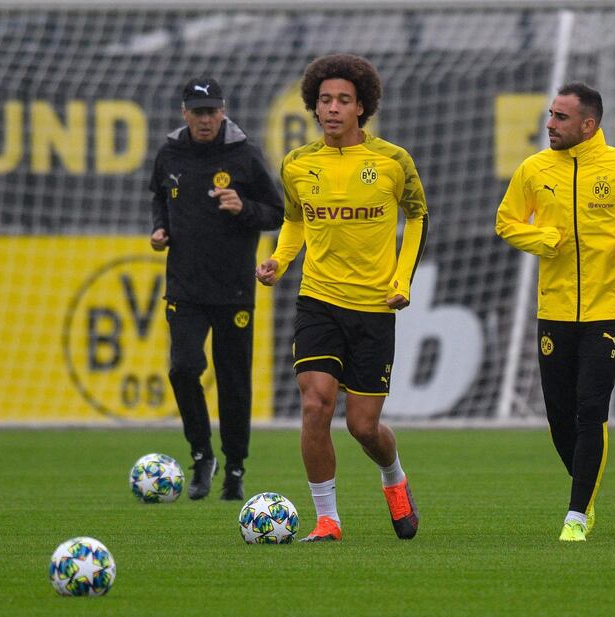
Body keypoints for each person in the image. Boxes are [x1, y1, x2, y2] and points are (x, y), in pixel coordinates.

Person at [256, 54, 428, 542]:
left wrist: (401, 281)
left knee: (363, 427)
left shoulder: (393, 161)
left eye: (343, 101)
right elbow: (294, 219)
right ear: (314, 105)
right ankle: (327, 519)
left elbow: (417, 217)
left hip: (375, 306)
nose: (332, 108)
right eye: (325, 100)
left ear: (362, 108)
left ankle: (394, 478)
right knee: (316, 404)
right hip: (318, 299)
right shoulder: (297, 163)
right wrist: (279, 260)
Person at [495, 82, 615, 541]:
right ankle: (587, 491)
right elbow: (506, 221)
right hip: (553, 310)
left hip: (608, 308)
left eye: (560, 117)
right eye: (550, 115)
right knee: (559, 416)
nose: (550, 125)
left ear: (588, 124)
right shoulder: (534, 169)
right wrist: (543, 240)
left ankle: (576, 514)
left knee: (591, 408)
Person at [149, 76, 283, 501]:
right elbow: (159, 196)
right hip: (185, 286)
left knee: (234, 381)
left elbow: (277, 212)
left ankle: (236, 467)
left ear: (222, 111)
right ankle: (202, 454)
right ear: (184, 113)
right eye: (198, 112)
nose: (205, 120)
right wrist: (160, 227)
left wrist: (244, 208)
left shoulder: (244, 156)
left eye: (212, 112)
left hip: (233, 289)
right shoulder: (170, 153)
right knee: (183, 368)